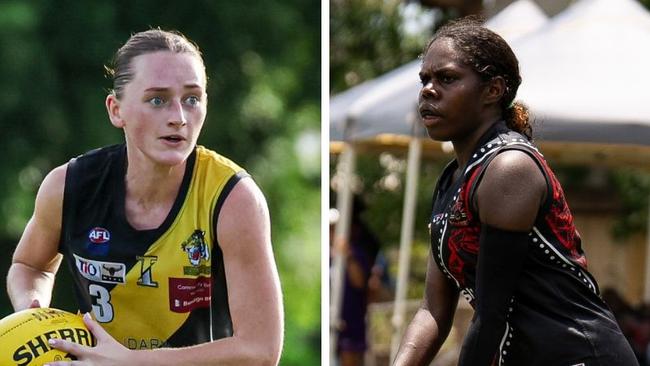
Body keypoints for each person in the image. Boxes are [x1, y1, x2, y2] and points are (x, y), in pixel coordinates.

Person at [6, 29, 283, 365]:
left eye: (192, 99)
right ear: (116, 110)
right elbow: (29, 265)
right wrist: (32, 309)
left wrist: (131, 361)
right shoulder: (69, 186)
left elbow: (260, 350)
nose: (178, 117)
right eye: (157, 99)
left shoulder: (234, 199)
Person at [392, 17, 638, 366]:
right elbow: (433, 308)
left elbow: (492, 314)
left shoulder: (509, 167)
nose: (428, 90)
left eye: (447, 78)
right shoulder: (452, 180)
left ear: (493, 90)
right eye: (425, 80)